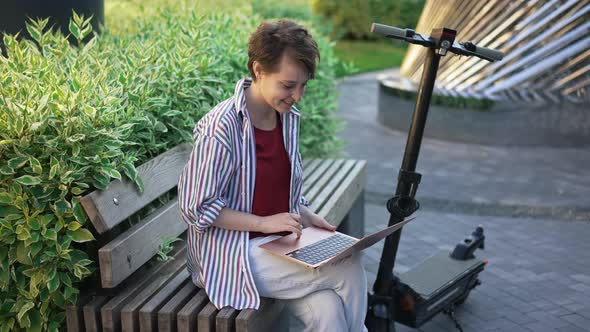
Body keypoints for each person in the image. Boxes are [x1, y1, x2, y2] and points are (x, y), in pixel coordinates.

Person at [178, 19, 368, 332]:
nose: (297, 96)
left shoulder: (287, 118)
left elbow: (274, 190)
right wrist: (264, 224)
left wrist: (305, 214)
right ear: (258, 70)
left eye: (303, 85)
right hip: (230, 255)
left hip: (280, 246)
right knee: (348, 264)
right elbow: (195, 207)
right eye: (288, 85)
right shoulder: (222, 128)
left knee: (328, 310)